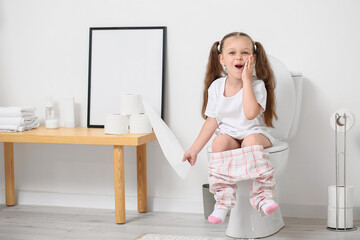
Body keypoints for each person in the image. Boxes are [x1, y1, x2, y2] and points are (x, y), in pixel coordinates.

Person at [182, 32, 278, 224]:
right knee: (219, 141)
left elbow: (250, 113)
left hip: (256, 134)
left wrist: (246, 80)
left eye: (245, 52)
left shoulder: (257, 85)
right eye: (232, 53)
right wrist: (194, 149)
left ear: (253, 58)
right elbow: (211, 122)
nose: (239, 57)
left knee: (249, 141)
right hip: (232, 136)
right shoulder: (216, 87)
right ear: (222, 59)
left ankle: (262, 196)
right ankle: (223, 201)